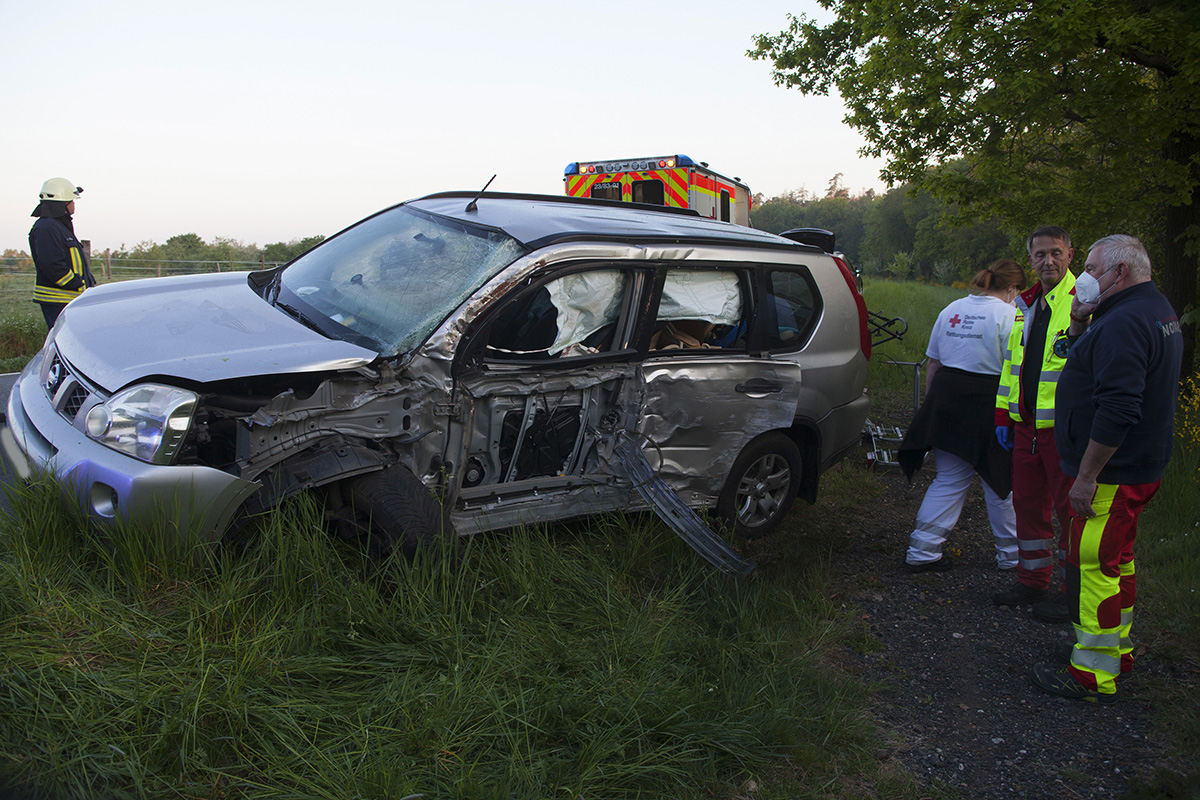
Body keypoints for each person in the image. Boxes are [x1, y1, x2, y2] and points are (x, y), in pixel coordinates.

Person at [1028, 235, 1182, 703]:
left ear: (1120, 273)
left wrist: (1088, 476)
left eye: (1092, 268)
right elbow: (1077, 362)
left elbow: (1118, 408)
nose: (1085, 276)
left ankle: (1093, 673)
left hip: (1114, 476)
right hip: (1136, 468)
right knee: (1119, 561)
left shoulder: (1125, 322)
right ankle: (1117, 650)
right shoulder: (1145, 309)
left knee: (1093, 566)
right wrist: (1077, 322)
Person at [899, 259, 1026, 572]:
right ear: (1012, 288)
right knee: (1000, 483)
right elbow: (1018, 370)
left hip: (946, 398)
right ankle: (1012, 558)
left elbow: (934, 362)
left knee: (950, 478)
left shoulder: (952, 309)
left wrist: (930, 409)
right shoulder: (1011, 316)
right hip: (989, 403)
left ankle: (922, 552)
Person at [991, 225, 1077, 620]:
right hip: (1025, 426)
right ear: (1030, 260)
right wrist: (1003, 416)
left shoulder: (1083, 301)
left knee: (1071, 512)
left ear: (1070, 255)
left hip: (1065, 430)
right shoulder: (1026, 304)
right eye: (1040, 255)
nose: (1049, 261)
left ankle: (1071, 592)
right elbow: (1012, 367)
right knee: (1027, 506)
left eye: (1056, 253)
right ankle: (1032, 581)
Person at [29, 177, 95, 329]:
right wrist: (75, 283)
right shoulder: (47, 228)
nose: (74, 204)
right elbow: (51, 264)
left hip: (67, 298)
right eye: (72, 200)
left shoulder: (58, 226)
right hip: (58, 300)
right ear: (63, 203)